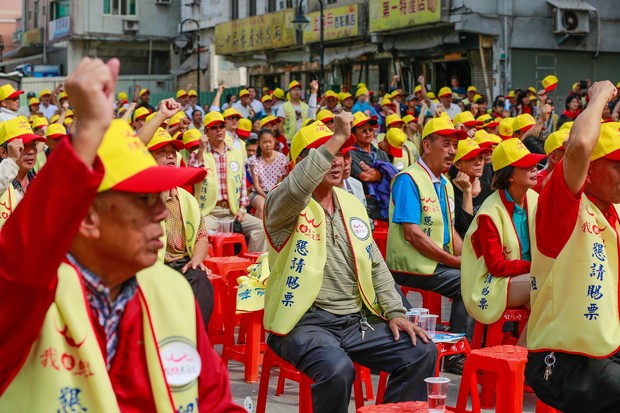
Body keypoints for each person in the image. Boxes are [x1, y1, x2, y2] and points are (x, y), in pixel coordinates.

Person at [0, 57, 244, 412]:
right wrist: (86, 134)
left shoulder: (170, 290)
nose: (161, 211)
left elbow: (214, 402)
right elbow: (16, 268)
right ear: (88, 219)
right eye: (143, 201)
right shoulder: (33, 297)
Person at [264, 116, 437, 413]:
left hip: (356, 320)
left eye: (343, 154)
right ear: (299, 165)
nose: (337, 162)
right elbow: (297, 188)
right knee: (337, 370)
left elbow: (375, 264)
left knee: (421, 351)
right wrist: (336, 139)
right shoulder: (283, 204)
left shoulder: (351, 202)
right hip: (304, 323)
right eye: (327, 153)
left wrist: (395, 312)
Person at [524, 81, 620, 413]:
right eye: (618, 167)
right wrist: (596, 99)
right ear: (588, 172)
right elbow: (579, 145)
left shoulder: (612, 209)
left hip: (605, 347)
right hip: (563, 359)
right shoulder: (561, 205)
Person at [387, 115, 469, 342]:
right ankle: (457, 348)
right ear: (426, 145)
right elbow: (412, 234)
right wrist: (453, 261)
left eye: (455, 145)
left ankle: (469, 343)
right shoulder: (408, 179)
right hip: (411, 266)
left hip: (434, 263)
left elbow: (450, 230)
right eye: (446, 144)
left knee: (478, 275)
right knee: (468, 283)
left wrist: (469, 257)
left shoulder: (444, 183)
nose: (452, 151)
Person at [461, 138, 542, 345]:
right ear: (510, 177)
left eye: (534, 164)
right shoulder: (490, 212)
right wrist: (539, 266)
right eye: (526, 166)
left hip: (524, 277)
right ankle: (524, 357)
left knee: (552, 292)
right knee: (546, 285)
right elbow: (496, 266)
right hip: (491, 282)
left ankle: (524, 356)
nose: (535, 168)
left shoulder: (534, 198)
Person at [146, 127, 214, 328]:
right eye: (162, 152)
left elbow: (202, 236)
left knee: (200, 278)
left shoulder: (186, 199)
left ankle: (193, 340)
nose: (170, 157)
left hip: (182, 263)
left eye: (172, 152)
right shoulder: (142, 198)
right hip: (153, 266)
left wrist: (196, 259)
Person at [193, 111, 266, 252]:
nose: (219, 130)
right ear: (206, 132)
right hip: (209, 213)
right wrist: (201, 150)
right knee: (200, 234)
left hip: (232, 211)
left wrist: (242, 209)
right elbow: (195, 177)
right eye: (214, 127)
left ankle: (253, 265)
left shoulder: (237, 152)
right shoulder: (198, 154)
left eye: (221, 126)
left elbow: (242, 184)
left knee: (261, 228)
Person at [0, 117, 47, 227]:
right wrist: (11, 161)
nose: (31, 151)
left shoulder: (41, 183)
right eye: (22, 146)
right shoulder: (3, 180)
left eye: (33, 144)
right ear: (3, 152)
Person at [349, 112, 394, 222]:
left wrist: (375, 173)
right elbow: (365, 176)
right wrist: (382, 173)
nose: (368, 133)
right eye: (363, 131)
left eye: (371, 130)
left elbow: (392, 177)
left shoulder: (381, 153)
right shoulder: (351, 153)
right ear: (354, 134)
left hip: (384, 204)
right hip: (364, 204)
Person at [448, 138, 493, 239]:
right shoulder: (448, 190)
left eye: (481, 158)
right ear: (458, 164)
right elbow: (466, 230)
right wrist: (467, 191)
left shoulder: (489, 189)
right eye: (472, 159)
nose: (478, 163)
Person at [247, 129, 288, 219]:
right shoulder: (254, 160)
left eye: (270, 141)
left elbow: (279, 183)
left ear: (274, 141)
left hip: (276, 192)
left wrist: (273, 196)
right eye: (265, 142)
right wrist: (267, 197)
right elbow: (256, 185)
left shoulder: (281, 158)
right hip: (258, 193)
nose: (268, 145)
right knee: (262, 206)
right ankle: (259, 230)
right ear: (259, 143)